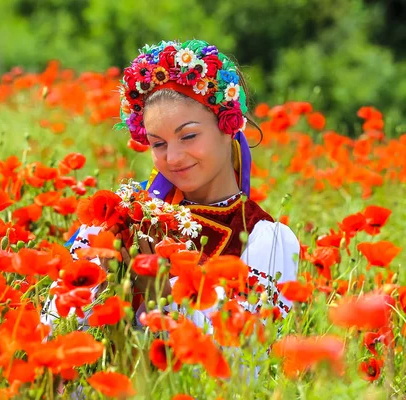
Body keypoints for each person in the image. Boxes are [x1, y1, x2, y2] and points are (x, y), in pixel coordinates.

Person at [42, 39, 299, 331]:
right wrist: (102, 286)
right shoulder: (121, 217)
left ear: (228, 127)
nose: (173, 158)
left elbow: (251, 358)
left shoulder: (266, 239)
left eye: (188, 136)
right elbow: (52, 325)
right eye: (158, 144)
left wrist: (164, 298)